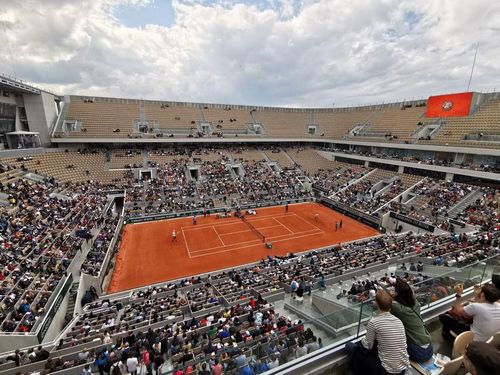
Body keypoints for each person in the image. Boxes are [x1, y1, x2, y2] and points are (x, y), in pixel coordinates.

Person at [346, 290, 409, 375]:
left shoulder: (374, 322)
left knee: (350, 346)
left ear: (377, 304)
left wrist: (361, 341)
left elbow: (366, 346)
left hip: (387, 371)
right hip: (402, 369)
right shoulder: (399, 321)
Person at [390, 280, 434, 362]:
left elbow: (384, 301)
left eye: (394, 290)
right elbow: (411, 294)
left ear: (397, 294)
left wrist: (392, 296)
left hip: (418, 352)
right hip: (429, 348)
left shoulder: (397, 308)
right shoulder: (416, 304)